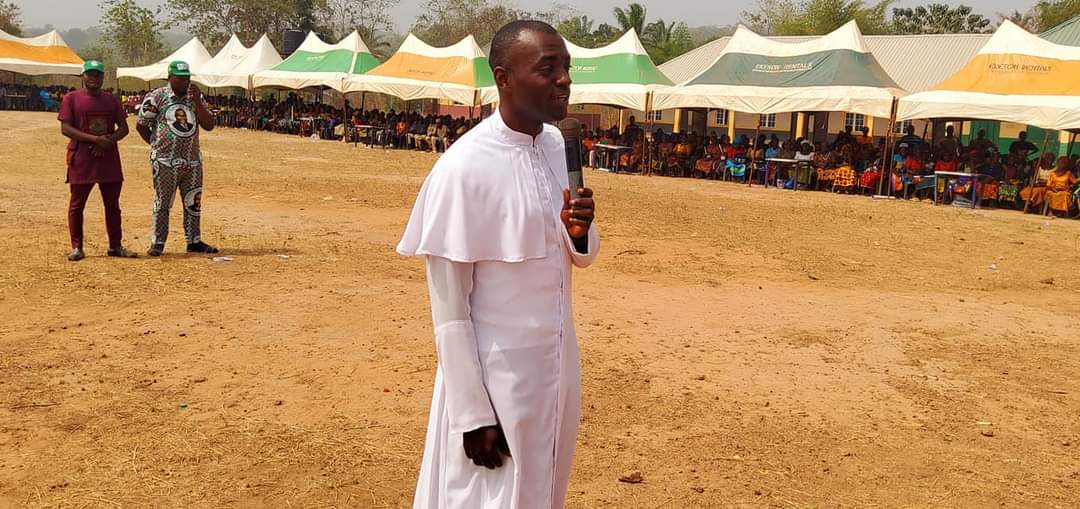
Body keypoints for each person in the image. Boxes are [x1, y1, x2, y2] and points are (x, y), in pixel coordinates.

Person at [400, 20, 599, 509]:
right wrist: (472, 413)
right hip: (496, 381)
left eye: (567, 68)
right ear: (504, 78)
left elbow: (579, 254)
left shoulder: (557, 147)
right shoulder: (462, 168)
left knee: (542, 492)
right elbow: (449, 310)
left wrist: (580, 231)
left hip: (555, 371)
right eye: (548, 69)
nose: (564, 80)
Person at [136, 60, 219, 256]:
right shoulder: (157, 97)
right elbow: (141, 125)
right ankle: (158, 242)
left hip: (192, 160)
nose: (185, 82)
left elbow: (209, 125)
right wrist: (157, 146)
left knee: (193, 202)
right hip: (164, 161)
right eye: (180, 78)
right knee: (163, 202)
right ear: (169, 77)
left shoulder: (195, 97)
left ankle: (193, 240)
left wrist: (197, 101)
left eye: (187, 78)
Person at [58, 60, 137, 261]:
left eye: (98, 75)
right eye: (90, 74)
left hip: (108, 156)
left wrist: (108, 141)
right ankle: (77, 247)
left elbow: (124, 128)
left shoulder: (112, 100)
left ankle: (115, 246)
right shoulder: (71, 98)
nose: (94, 78)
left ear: (102, 77)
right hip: (82, 157)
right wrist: (95, 140)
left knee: (112, 205)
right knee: (77, 204)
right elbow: (65, 128)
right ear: (83, 76)